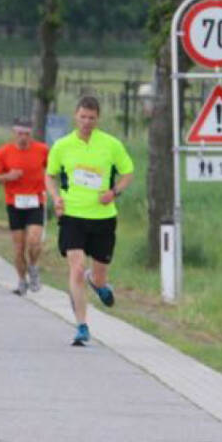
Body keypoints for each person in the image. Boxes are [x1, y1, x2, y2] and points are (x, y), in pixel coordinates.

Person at [45, 96, 133, 347]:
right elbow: (50, 176)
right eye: (82, 117)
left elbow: (128, 173)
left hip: (103, 217)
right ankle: (82, 326)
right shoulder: (62, 146)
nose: (86, 122)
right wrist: (56, 198)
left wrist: (114, 192)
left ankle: (98, 283)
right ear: (76, 116)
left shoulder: (110, 145)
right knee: (76, 266)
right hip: (73, 215)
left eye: (91, 118)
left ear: (98, 119)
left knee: (98, 273)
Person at [0, 117, 49, 295]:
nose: (23, 137)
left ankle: (33, 267)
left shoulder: (42, 150)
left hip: (35, 201)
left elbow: (52, 170)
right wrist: (8, 176)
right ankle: (22, 280)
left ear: (31, 134)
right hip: (14, 203)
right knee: (19, 248)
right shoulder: (4, 152)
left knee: (34, 241)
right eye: (20, 133)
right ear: (14, 133)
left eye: (26, 134)